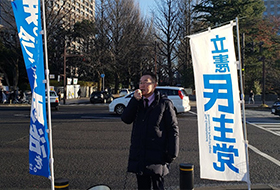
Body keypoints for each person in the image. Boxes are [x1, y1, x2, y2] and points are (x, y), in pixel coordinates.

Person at [121, 72, 179, 190]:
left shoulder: (164, 103)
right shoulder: (137, 102)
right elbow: (126, 119)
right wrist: (134, 101)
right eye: (140, 82)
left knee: (158, 187)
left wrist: (172, 154)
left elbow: (173, 129)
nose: (142, 85)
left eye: (146, 82)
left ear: (154, 85)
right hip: (140, 154)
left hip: (158, 155)